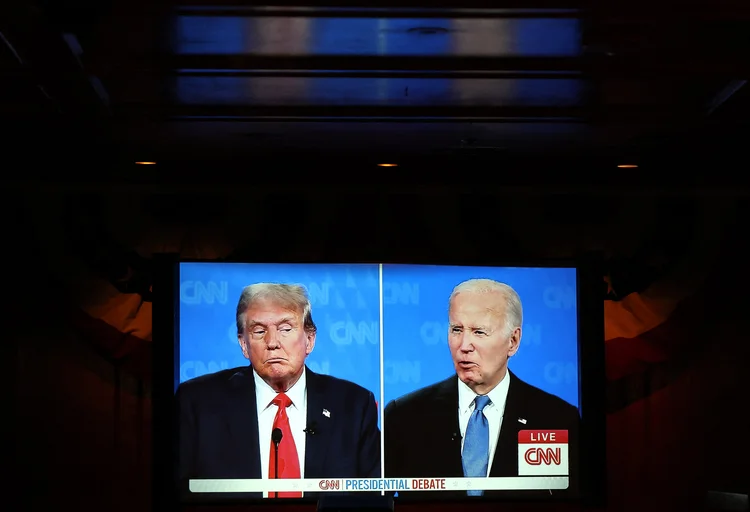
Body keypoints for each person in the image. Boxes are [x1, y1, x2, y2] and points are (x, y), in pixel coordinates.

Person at [177, 283, 381, 499]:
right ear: (243, 344)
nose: (272, 342)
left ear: (309, 340)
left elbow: (375, 498)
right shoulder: (197, 403)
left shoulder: (354, 405)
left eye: (285, 329)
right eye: (259, 331)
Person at [384, 279, 579, 499]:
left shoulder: (556, 418)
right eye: (456, 329)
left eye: (479, 332)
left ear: (513, 341)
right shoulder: (404, 415)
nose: (464, 345)